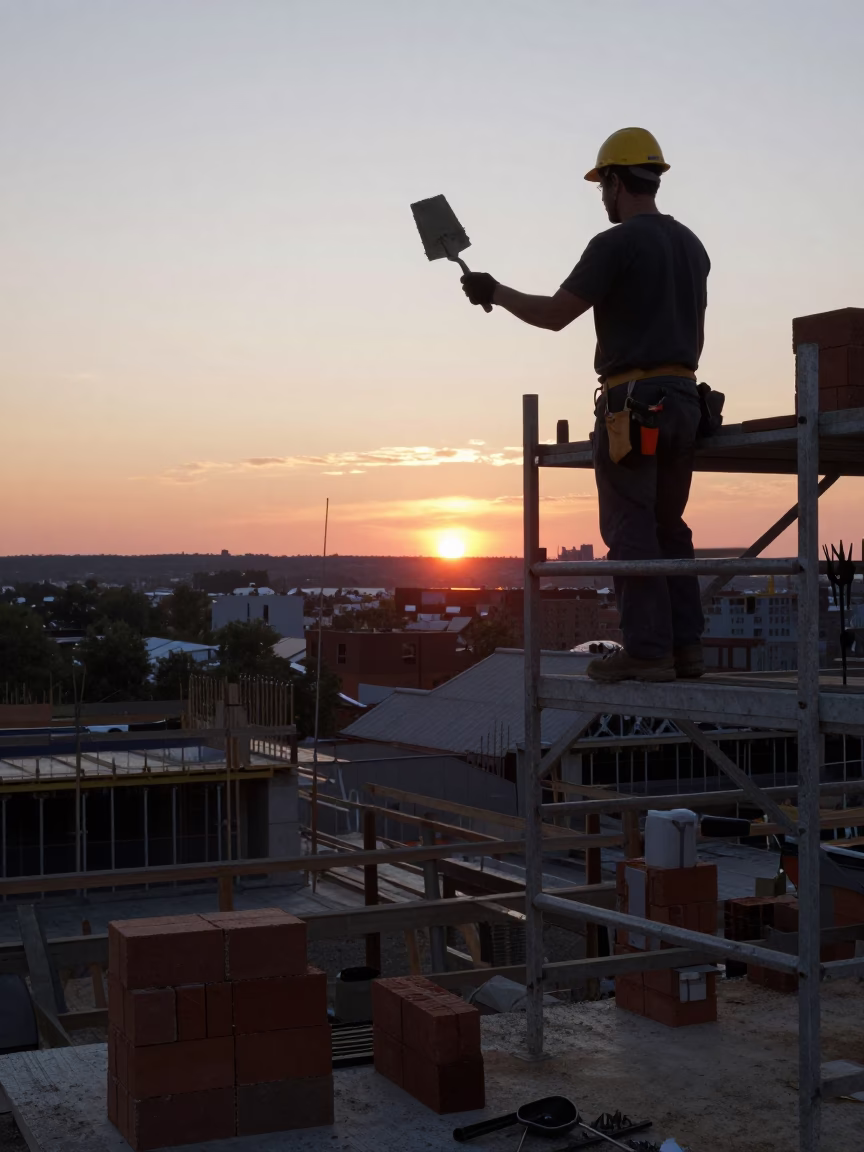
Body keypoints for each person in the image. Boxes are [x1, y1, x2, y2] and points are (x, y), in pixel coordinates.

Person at [461, 127, 710, 683]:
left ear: (618, 181)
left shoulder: (615, 244)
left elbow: (555, 315)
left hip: (634, 404)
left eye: (603, 185)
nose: (602, 197)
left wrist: (494, 291)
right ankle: (686, 648)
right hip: (684, 400)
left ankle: (648, 651)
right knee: (671, 526)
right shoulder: (691, 244)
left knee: (630, 528)